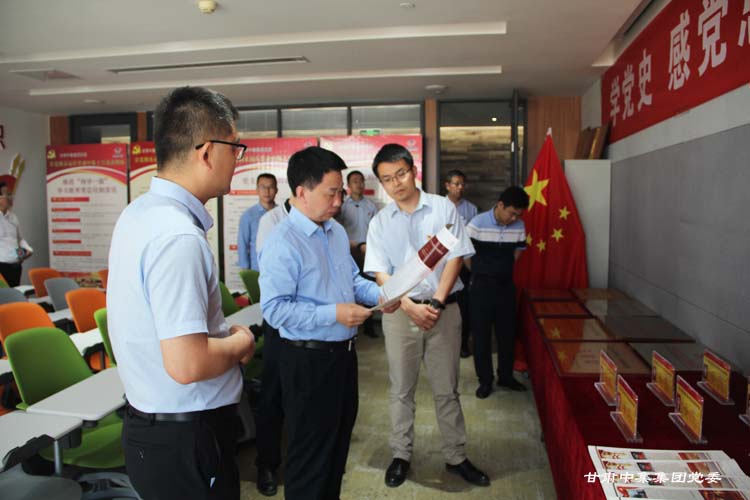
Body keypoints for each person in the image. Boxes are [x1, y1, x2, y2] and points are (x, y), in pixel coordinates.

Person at [107, 86, 256, 500]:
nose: (238, 159)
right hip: (186, 437)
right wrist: (240, 341)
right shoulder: (177, 237)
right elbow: (188, 364)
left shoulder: (139, 213)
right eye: (235, 148)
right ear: (207, 153)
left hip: (157, 428)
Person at [259, 146, 398, 500]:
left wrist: (383, 294)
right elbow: (274, 310)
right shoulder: (282, 242)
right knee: (309, 459)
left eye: (341, 193)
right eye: (331, 193)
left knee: (336, 452)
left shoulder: (334, 231)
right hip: (306, 361)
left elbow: (352, 281)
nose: (338, 202)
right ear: (302, 192)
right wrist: (333, 313)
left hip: (344, 358)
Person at [364, 144, 490, 488]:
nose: (396, 183)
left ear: (413, 171)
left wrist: (435, 302)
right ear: (381, 183)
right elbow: (380, 273)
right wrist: (408, 306)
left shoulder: (442, 208)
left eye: (400, 174)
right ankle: (400, 454)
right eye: (387, 179)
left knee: (447, 389)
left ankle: (456, 456)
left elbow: (455, 257)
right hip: (400, 314)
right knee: (400, 388)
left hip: (443, 312)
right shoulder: (380, 222)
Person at [466, 186, 530, 398]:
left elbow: (517, 254)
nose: (514, 218)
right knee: (481, 336)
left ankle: (506, 377)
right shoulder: (477, 223)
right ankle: (485, 380)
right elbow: (466, 256)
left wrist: (501, 271)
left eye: (518, 215)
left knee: (507, 335)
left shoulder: (519, 226)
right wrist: (482, 272)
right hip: (481, 288)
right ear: (500, 205)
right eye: (511, 213)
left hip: (505, 287)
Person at [252, 194, 293, 497]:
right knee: (273, 395)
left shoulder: (326, 223)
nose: (335, 201)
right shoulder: (272, 222)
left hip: (312, 327)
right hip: (280, 321)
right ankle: (266, 464)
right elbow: (270, 268)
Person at [337, 170, 378, 337]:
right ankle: (353, 325)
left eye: (361, 181)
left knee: (367, 283)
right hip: (348, 251)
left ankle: (369, 325)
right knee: (349, 285)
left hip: (368, 251)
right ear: (348, 185)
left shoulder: (371, 205)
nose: (359, 184)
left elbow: (376, 230)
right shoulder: (342, 206)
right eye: (355, 181)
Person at [444, 170, 477, 358]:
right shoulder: (439, 206)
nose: (460, 187)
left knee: (465, 305)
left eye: (462, 184)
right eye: (456, 184)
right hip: (444, 263)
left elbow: (473, 238)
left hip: (464, 262)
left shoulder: (471, 209)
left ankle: (463, 344)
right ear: (447, 185)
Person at [238, 173, 278, 271]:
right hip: (257, 270)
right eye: (263, 187)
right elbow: (243, 245)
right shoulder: (248, 216)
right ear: (257, 190)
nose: (267, 191)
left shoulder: (282, 214)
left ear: (276, 190)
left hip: (279, 268)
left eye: (271, 187)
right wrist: (245, 270)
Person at [0, 180, 32, 287]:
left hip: (16, 266)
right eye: (7, 195)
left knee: (15, 294)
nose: (11, 197)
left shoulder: (13, 217)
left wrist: (27, 251)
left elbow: (19, 239)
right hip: (1, 267)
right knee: (4, 296)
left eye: (11, 194)